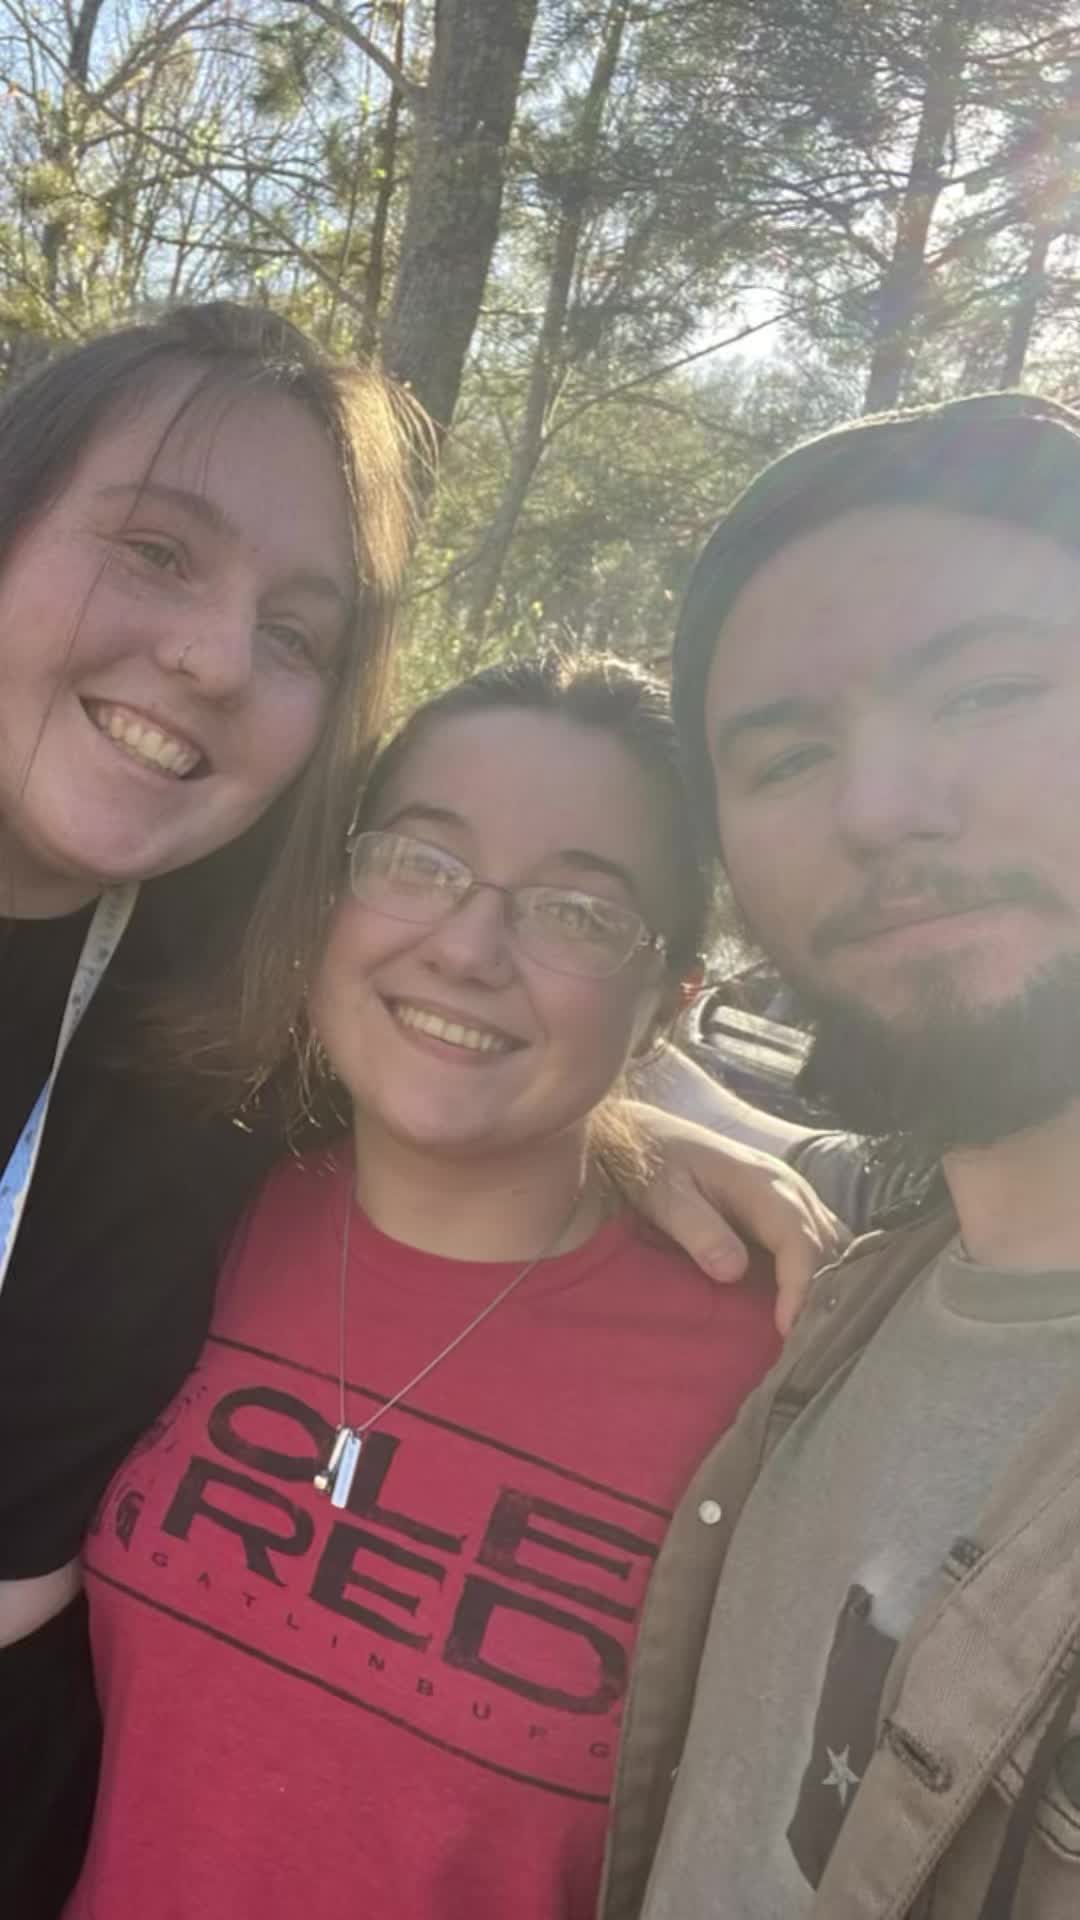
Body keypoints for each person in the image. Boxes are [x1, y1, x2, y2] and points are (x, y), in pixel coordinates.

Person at [0, 299, 838, 1916]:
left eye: (299, 635)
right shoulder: (257, 1097)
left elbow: (460, 1046)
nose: (214, 656)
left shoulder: (214, 1034)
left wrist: (618, 1119)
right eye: (157, 551)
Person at [66, 656, 782, 1920]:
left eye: (577, 912)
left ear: (668, 1005)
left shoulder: (764, 1370)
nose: (465, 947)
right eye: (419, 860)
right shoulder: (199, 1205)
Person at [600, 390, 1080, 1920]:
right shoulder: (874, 1273)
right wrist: (605, 1123)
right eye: (789, 757)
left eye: (988, 692)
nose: (878, 810)